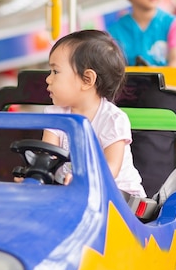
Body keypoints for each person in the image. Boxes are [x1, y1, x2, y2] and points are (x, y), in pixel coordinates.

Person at [42, 30, 147, 198]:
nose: (48, 79)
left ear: (87, 80)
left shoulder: (112, 119)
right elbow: (47, 157)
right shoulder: (55, 115)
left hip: (121, 199)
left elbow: (111, 167)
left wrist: (84, 179)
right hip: (75, 194)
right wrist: (35, 174)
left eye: (55, 72)